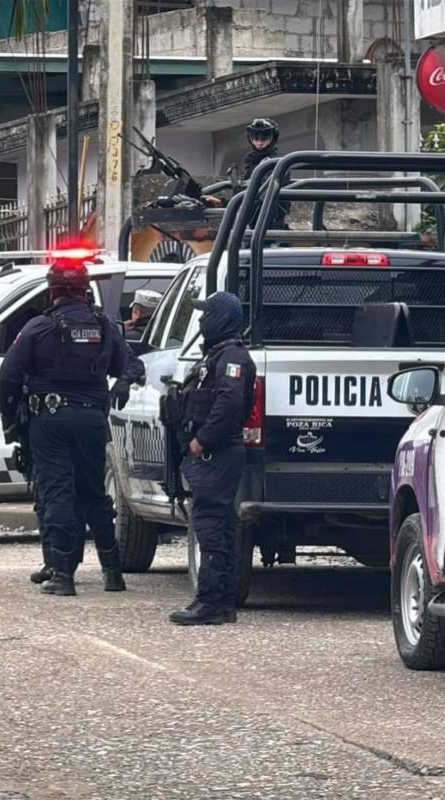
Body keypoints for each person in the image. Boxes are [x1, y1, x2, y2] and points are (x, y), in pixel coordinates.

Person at [0, 258, 145, 596]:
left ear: (53, 291)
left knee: (58, 492)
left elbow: (9, 374)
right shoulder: (105, 326)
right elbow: (132, 364)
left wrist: (11, 422)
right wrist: (119, 386)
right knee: (93, 492)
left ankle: (63, 575)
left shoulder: (38, 327)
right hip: (92, 418)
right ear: (84, 290)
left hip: (50, 420)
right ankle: (112, 573)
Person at [168, 291, 255, 626]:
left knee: (210, 526)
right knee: (218, 524)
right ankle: (221, 601)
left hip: (216, 453)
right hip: (211, 453)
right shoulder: (217, 355)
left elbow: (231, 405)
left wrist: (201, 441)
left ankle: (211, 602)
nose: (202, 320)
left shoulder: (231, 358)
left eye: (207, 314)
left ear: (221, 318)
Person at [241, 117, 289, 231]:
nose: (259, 142)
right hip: (249, 218)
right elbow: (244, 191)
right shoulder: (251, 161)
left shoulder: (276, 161)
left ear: (273, 138)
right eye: (255, 138)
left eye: (264, 138)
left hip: (268, 220)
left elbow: (263, 192)